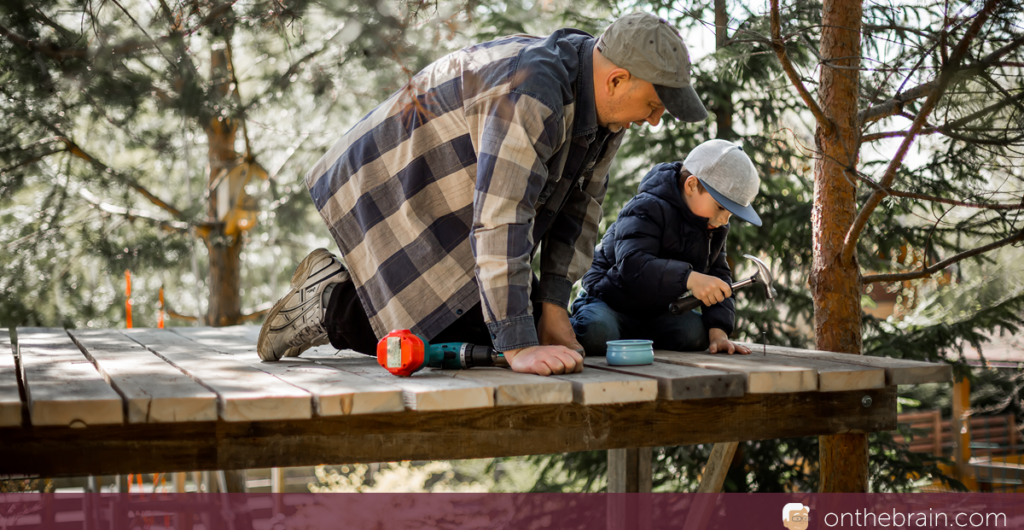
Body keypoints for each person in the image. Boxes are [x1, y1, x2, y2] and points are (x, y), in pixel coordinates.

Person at [257, 12, 709, 375]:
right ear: (617, 80)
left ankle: (344, 298)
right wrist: (516, 346)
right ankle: (326, 304)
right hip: (393, 180)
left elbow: (581, 208)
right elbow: (502, 216)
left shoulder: (607, 114)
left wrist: (551, 306)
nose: (654, 120)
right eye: (653, 105)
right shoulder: (534, 90)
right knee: (457, 330)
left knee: (518, 322)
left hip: (458, 197)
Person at [569, 139, 761, 356]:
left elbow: (718, 276)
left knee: (696, 334)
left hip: (655, 311)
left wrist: (719, 332)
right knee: (597, 333)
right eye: (720, 207)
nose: (724, 220)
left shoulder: (713, 227)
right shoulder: (646, 207)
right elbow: (632, 264)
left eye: (730, 214)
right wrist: (689, 278)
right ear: (691, 185)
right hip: (609, 300)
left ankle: (631, 338)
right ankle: (573, 327)